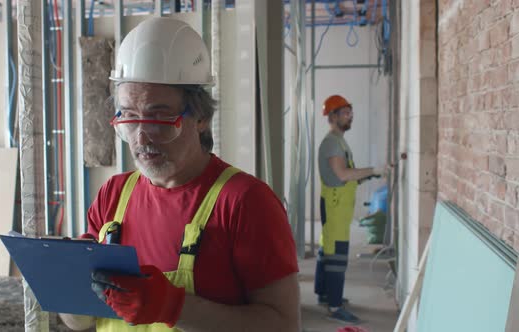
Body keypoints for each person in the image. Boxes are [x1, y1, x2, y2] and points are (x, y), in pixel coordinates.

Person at [60, 17, 300, 332]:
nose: (141, 137)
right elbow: (79, 321)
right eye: (129, 117)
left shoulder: (245, 203)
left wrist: (173, 306)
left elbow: (283, 326)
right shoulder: (113, 195)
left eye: (159, 117)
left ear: (200, 117)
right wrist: (69, 289)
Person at [314, 95, 389, 324]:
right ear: (333, 116)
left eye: (350, 112)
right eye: (345, 113)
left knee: (327, 249)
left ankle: (326, 296)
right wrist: (372, 169)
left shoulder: (339, 141)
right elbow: (343, 175)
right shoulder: (332, 143)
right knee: (336, 255)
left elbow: (349, 177)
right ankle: (335, 308)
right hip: (336, 207)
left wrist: (372, 174)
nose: (350, 116)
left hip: (337, 206)